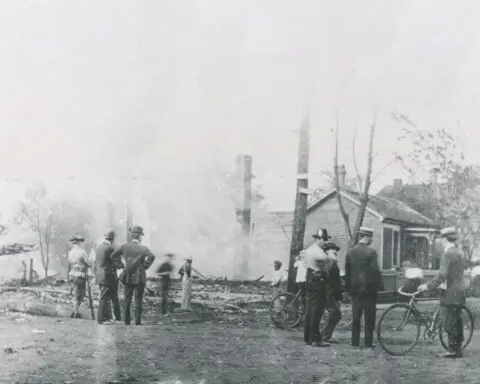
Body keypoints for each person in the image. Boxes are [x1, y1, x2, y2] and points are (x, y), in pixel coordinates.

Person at [418, 227, 467, 358]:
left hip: (450, 291)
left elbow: (442, 274)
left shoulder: (447, 254)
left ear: (444, 239)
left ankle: (452, 350)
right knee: (457, 319)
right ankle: (458, 348)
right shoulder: (460, 252)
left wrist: (427, 286)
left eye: (441, 239)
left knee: (448, 319)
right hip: (460, 290)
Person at [344, 226, 383, 349]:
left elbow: (347, 272)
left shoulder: (350, 252)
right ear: (367, 237)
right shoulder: (371, 252)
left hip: (355, 289)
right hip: (368, 290)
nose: (372, 240)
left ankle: (354, 341)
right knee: (369, 316)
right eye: (371, 237)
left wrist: (349, 288)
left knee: (356, 316)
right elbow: (375, 271)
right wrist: (378, 288)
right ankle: (368, 342)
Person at [111, 226, 155, 325]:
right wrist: (144, 266)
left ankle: (126, 321)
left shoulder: (125, 246)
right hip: (139, 276)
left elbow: (113, 256)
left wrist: (121, 265)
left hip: (128, 275)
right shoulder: (143, 248)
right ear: (139, 237)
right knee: (138, 299)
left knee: (127, 299)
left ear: (132, 236)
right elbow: (152, 256)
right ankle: (137, 321)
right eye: (141, 236)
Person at [302, 228, 332, 347]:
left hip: (311, 277)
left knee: (310, 310)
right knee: (317, 311)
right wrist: (329, 250)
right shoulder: (318, 251)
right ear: (317, 239)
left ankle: (308, 337)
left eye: (326, 239)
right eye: (323, 239)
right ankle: (315, 339)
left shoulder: (310, 249)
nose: (325, 242)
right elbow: (330, 260)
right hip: (317, 280)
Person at [95, 230, 124, 324]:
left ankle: (107, 318)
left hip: (100, 275)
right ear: (113, 239)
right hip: (108, 276)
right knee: (107, 297)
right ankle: (102, 319)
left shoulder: (98, 247)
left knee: (105, 297)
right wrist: (122, 265)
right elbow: (115, 262)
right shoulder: (109, 249)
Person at [320, 242, 343, 344]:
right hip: (328, 293)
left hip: (329, 293)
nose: (335, 251)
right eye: (333, 249)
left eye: (336, 250)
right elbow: (330, 281)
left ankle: (325, 335)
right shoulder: (330, 262)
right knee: (336, 314)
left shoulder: (329, 262)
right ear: (327, 251)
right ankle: (324, 336)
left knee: (333, 315)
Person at [68, 234, 91, 318]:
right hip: (80, 275)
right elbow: (89, 263)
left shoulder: (70, 252)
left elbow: (70, 262)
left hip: (72, 275)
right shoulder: (82, 252)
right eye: (81, 241)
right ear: (79, 242)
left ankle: (75, 311)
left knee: (75, 294)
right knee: (81, 294)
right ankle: (76, 312)